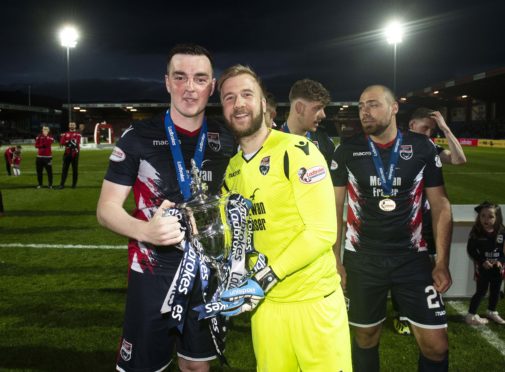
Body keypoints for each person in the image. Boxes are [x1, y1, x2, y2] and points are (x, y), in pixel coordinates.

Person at [96, 44, 235, 372]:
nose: (190, 87)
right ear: (167, 82)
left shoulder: (226, 138)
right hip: (152, 273)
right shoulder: (138, 137)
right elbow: (106, 209)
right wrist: (145, 230)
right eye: (180, 77)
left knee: (196, 366)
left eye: (200, 79)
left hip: (207, 274)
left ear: (211, 86)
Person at [217, 65, 352, 371]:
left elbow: (321, 232)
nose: (238, 103)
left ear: (263, 103)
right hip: (266, 311)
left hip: (314, 305)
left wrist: (262, 279)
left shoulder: (298, 150)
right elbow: (233, 235)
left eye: (246, 94)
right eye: (229, 97)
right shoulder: (231, 170)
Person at [331, 85, 453, 372]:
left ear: (394, 107)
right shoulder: (347, 150)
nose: (364, 112)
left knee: (436, 346)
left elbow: (441, 205)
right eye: (361, 106)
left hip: (412, 259)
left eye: (372, 104)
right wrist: (335, 260)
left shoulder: (422, 147)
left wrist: (442, 262)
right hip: (363, 259)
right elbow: (334, 208)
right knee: (365, 337)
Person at [393, 107, 467, 335]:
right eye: (426, 128)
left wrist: (444, 128)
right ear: (412, 125)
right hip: (402, 219)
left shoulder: (431, 147)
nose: (429, 133)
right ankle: (401, 315)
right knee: (399, 268)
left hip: (425, 219)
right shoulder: (395, 145)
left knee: (429, 265)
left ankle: (426, 307)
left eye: (432, 130)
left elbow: (459, 159)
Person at [466, 202, 505, 325]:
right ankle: (471, 315)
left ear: (497, 217)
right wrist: (482, 261)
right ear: (479, 217)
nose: (486, 219)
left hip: (498, 267)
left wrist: (500, 261)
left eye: (490, 216)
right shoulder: (476, 231)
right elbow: (471, 250)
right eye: (483, 216)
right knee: (481, 291)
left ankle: (491, 311)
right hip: (483, 267)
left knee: (496, 290)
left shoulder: (502, 231)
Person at [281, 79, 335, 170]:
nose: (323, 115)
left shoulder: (325, 141)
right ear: (299, 108)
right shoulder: (271, 143)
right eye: (317, 108)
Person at [57, 122, 81, 189]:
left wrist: (68, 142)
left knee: (75, 170)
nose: (72, 126)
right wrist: (70, 142)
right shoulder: (65, 134)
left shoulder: (78, 134)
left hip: (75, 153)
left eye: (73, 125)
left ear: (75, 126)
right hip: (67, 153)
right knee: (64, 169)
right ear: (68, 126)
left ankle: (74, 185)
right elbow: (61, 143)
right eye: (70, 125)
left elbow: (77, 142)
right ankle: (61, 184)